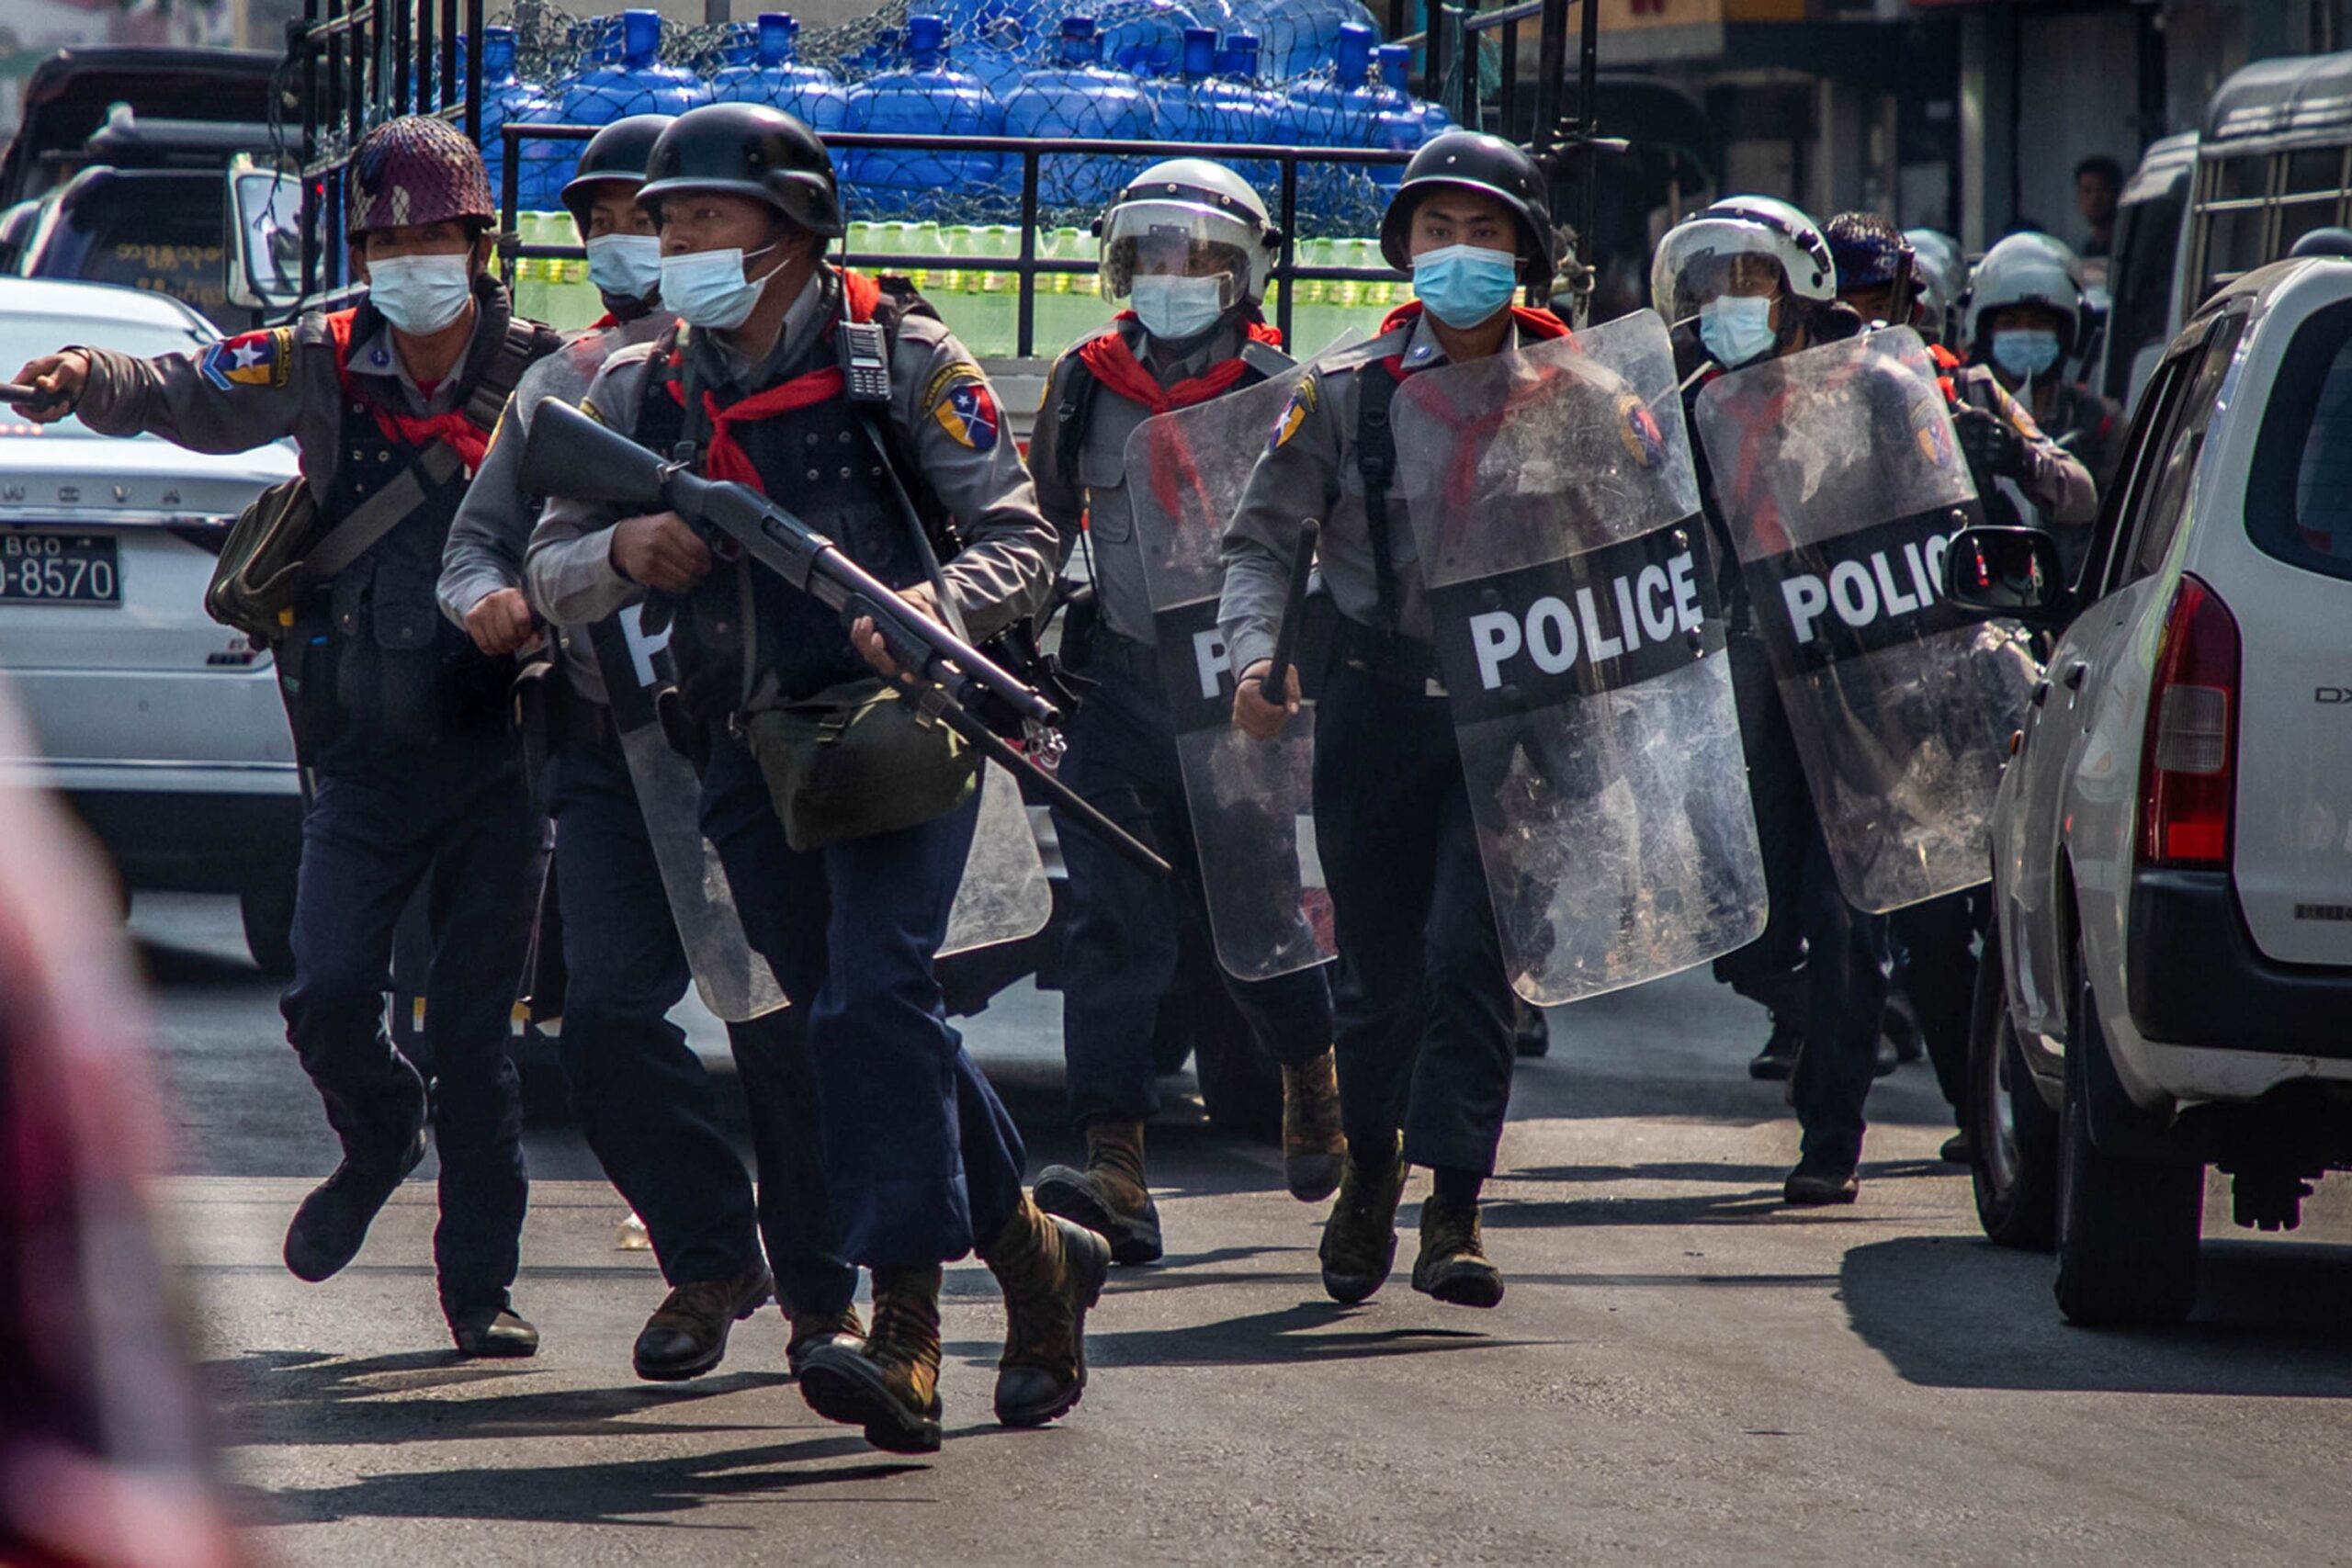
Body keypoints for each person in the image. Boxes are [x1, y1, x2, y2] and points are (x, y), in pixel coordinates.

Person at [525, 103, 1102, 1456]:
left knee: (876, 995)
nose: (675, 245)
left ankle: (906, 1333)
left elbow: (1023, 538)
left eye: (704, 220)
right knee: (852, 1016)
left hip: (907, 732)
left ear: (789, 227)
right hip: (748, 750)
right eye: (665, 224)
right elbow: (546, 566)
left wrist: (926, 602)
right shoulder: (637, 390)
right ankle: (1030, 1249)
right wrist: (633, 550)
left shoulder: (899, 351)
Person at [13, 116, 562, 1352]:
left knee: (474, 1037)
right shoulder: (314, 357)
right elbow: (184, 389)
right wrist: (85, 374)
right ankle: (375, 1133)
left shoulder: (549, 371)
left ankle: (480, 1287)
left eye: (435, 235)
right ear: (362, 250)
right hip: (362, 757)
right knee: (322, 994)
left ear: (478, 243)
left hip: (500, 754)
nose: (414, 257)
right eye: (390, 239)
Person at [438, 113, 863, 1383]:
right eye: (626, 220)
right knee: (609, 1018)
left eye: (674, 217)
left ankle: (825, 1297)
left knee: (786, 1025)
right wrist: (507, 598)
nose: (652, 243)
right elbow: (482, 546)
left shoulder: (810, 359)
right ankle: (705, 1253)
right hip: (615, 745)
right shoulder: (570, 384)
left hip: (771, 740)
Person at [1222, 130, 1571, 1308]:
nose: (1460, 255)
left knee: (1472, 960)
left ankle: (1455, 1208)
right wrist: (1250, 661)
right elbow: (1261, 543)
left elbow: (1640, 551)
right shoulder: (1340, 387)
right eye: (1437, 232)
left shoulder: (1582, 393)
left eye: (1485, 234)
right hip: (1375, 708)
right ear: (1401, 250)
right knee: (1376, 976)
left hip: (1514, 711)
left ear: (1526, 251)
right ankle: (1371, 1169)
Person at [1024, 158, 1342, 1266]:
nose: (1170, 279)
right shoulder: (1083, 385)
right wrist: (1000, 644)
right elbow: (1041, 529)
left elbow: (1317, 550)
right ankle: (1113, 1163)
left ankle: (1311, 1070)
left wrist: (1293, 675)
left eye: (1197, 260)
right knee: (1114, 927)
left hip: (1240, 699)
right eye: (1150, 256)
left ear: (1247, 275)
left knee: (1254, 920)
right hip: (1113, 688)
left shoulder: (1291, 390)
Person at [1653, 195, 1894, 1205]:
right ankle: (1814, 1027)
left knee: (1845, 921)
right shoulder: (1683, 404)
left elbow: (1942, 501)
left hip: (1857, 682)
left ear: (1799, 297)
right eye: (1708, 290)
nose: (1726, 307)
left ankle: (1830, 1132)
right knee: (1744, 930)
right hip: (1746, 681)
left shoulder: (1880, 386)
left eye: (1746, 286)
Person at [1962, 232, 2111, 554]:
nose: (2025, 332)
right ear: (1985, 329)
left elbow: (2092, 503)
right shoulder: (1959, 398)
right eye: (2011, 322)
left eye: (2041, 323)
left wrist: (2021, 456)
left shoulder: (2097, 420)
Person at [2075, 154, 2122, 259]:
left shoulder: (2127, 243)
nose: (2095, 198)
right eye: (2087, 191)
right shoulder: (2090, 247)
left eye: (2103, 189)